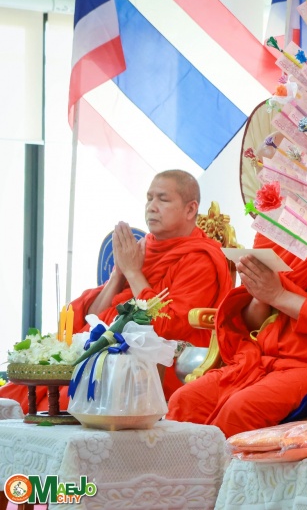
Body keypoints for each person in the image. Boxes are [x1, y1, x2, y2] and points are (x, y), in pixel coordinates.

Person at [0, 170, 232, 409]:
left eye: (162, 199)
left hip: (160, 364)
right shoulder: (142, 249)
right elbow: (92, 318)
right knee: (17, 392)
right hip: (103, 350)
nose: (151, 207)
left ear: (190, 209)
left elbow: (167, 326)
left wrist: (133, 273)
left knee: (66, 399)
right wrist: (117, 276)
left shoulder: (200, 259)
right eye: (149, 198)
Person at [166, 210, 307, 438]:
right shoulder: (273, 226)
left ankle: (222, 464)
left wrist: (278, 295)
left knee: (240, 409)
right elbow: (254, 322)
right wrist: (260, 295)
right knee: (185, 400)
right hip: (263, 357)